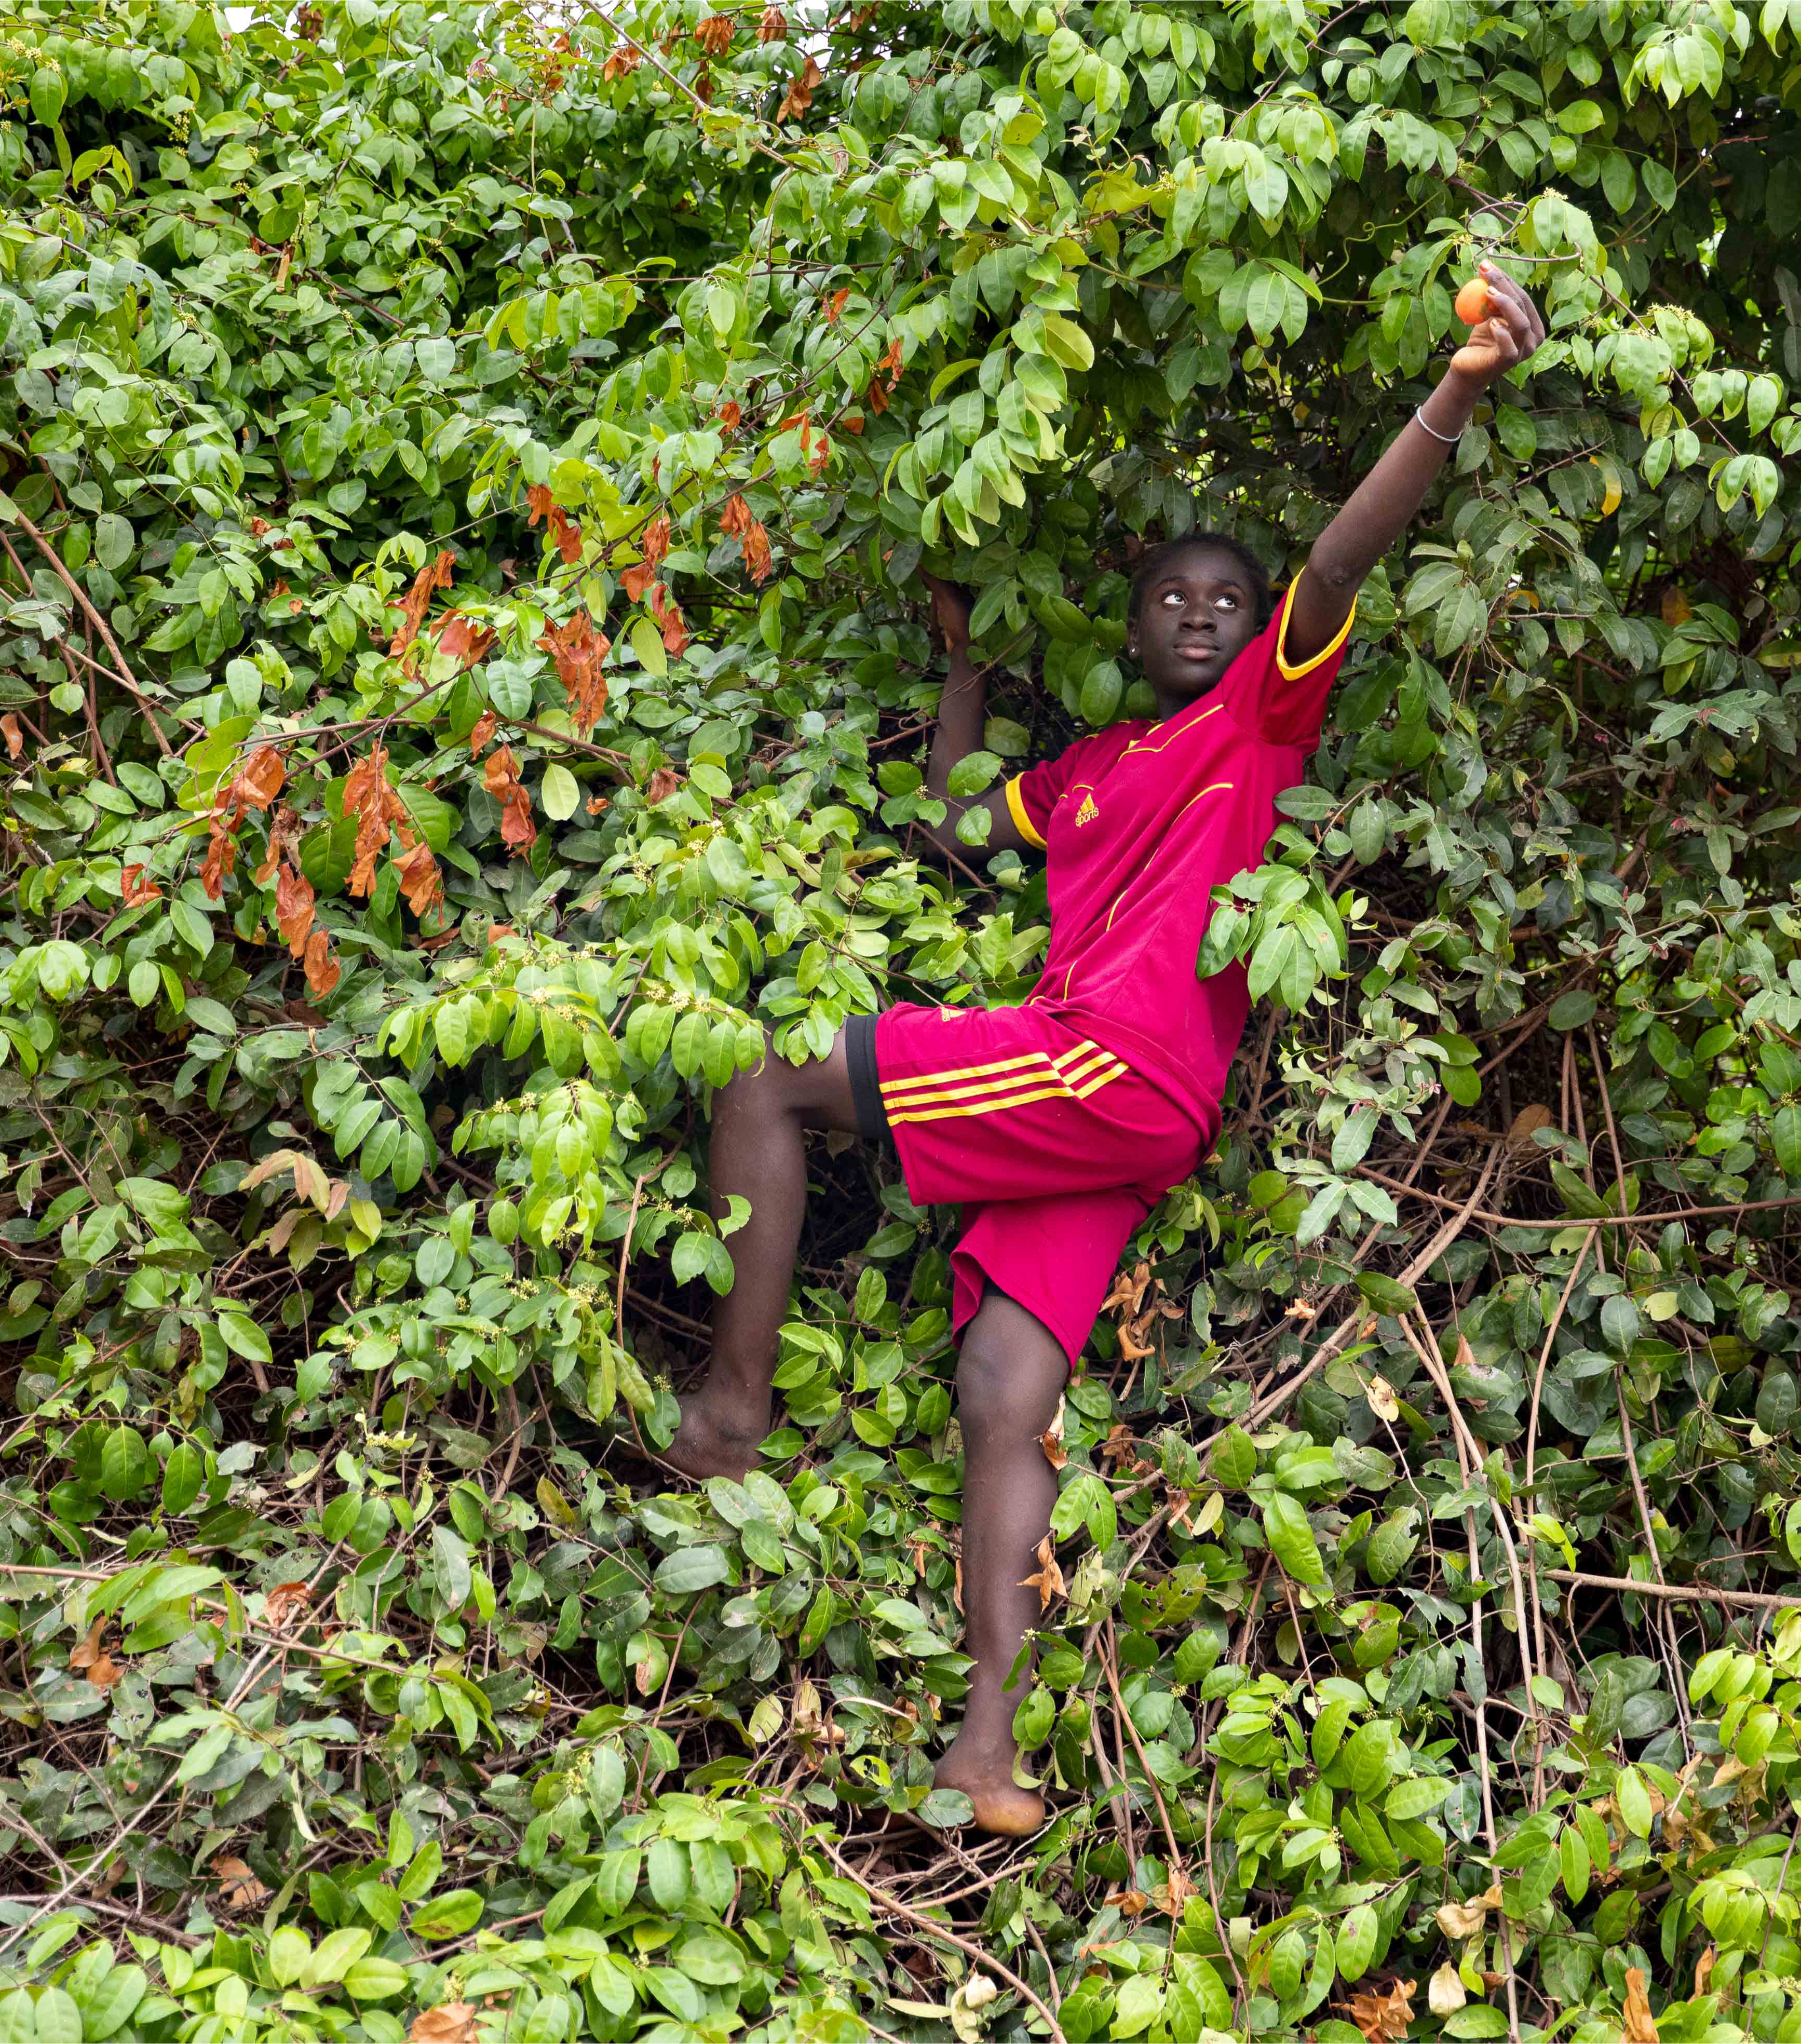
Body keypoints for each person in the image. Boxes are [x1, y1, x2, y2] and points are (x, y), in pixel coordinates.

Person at [658, 262, 1548, 1833]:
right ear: (1129, 628)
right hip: (1115, 1110)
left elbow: (1341, 556)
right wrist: (957, 671)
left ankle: (726, 1416)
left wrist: (1460, 385)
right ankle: (984, 1749)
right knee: (1001, 1381)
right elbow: (945, 821)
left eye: (1230, 596)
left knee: (764, 1078)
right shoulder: (1078, 774)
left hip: (1109, 1064)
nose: (1205, 612)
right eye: (1172, 597)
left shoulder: (1253, 727)